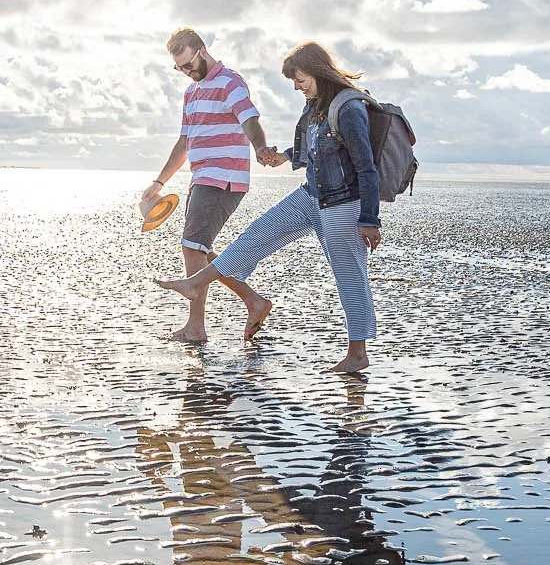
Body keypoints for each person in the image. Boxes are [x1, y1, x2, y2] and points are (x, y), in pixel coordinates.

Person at [156, 40, 383, 373]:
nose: (296, 86)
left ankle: (357, 353)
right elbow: (311, 151)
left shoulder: (349, 107)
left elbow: (366, 166)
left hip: (343, 204)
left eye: (300, 79)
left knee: (349, 277)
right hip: (311, 196)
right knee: (255, 235)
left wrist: (369, 219)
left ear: (318, 71)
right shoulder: (315, 104)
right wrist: (281, 157)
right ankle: (196, 282)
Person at [142, 29, 276, 344]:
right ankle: (253, 301)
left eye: (189, 64)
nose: (187, 72)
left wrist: (260, 148)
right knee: (198, 249)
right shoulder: (192, 93)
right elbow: (185, 141)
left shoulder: (230, 82)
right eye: (180, 68)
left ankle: (196, 327)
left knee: (192, 246)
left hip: (224, 176)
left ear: (202, 50)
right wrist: (160, 181)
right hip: (201, 177)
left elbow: (250, 119)